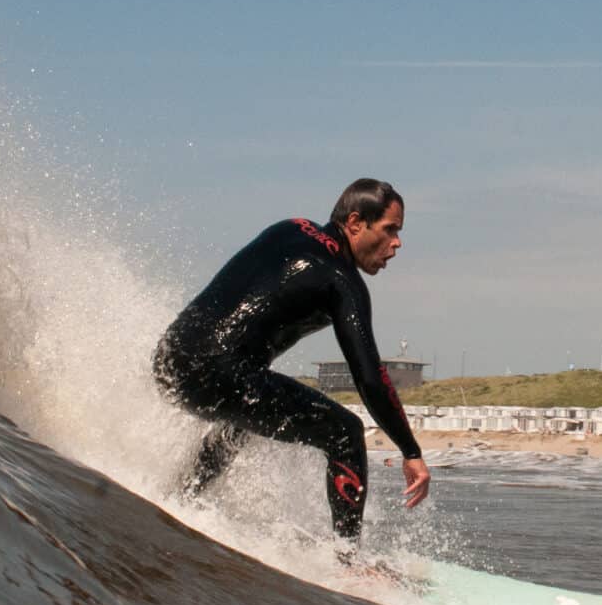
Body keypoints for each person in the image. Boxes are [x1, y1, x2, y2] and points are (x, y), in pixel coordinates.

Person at [153, 178, 429, 546]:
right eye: (390, 229)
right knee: (344, 432)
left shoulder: (290, 227)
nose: (397, 243)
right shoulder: (343, 281)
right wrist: (411, 452)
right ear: (355, 222)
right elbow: (370, 378)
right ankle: (348, 561)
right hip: (217, 372)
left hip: (170, 359)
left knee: (240, 416)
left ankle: (178, 499)